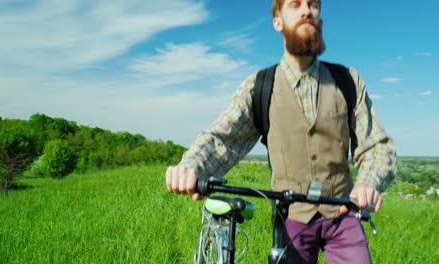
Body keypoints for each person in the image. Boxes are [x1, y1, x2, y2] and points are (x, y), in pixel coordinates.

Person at [166, 0, 396, 263]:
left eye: (313, 5)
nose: (306, 10)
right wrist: (192, 166)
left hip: (343, 213)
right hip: (292, 218)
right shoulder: (259, 87)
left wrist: (368, 182)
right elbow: (222, 139)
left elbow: (378, 145)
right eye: (295, 4)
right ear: (278, 22)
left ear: (320, 21)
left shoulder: (348, 80)